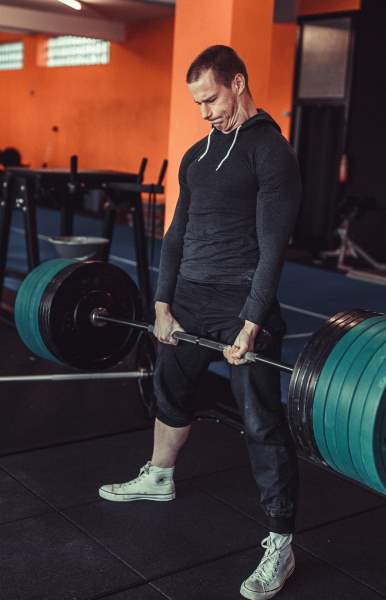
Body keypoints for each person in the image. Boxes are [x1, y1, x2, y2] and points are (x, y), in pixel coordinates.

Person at [98, 45, 302, 600]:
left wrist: (252, 322)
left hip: (241, 304)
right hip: (189, 299)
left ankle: (280, 540)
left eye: (211, 98)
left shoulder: (270, 151)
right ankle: (160, 476)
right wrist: (162, 304)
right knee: (170, 387)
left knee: (260, 419)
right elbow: (176, 234)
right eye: (198, 103)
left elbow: (272, 247)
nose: (205, 111)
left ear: (237, 82)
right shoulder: (196, 155)